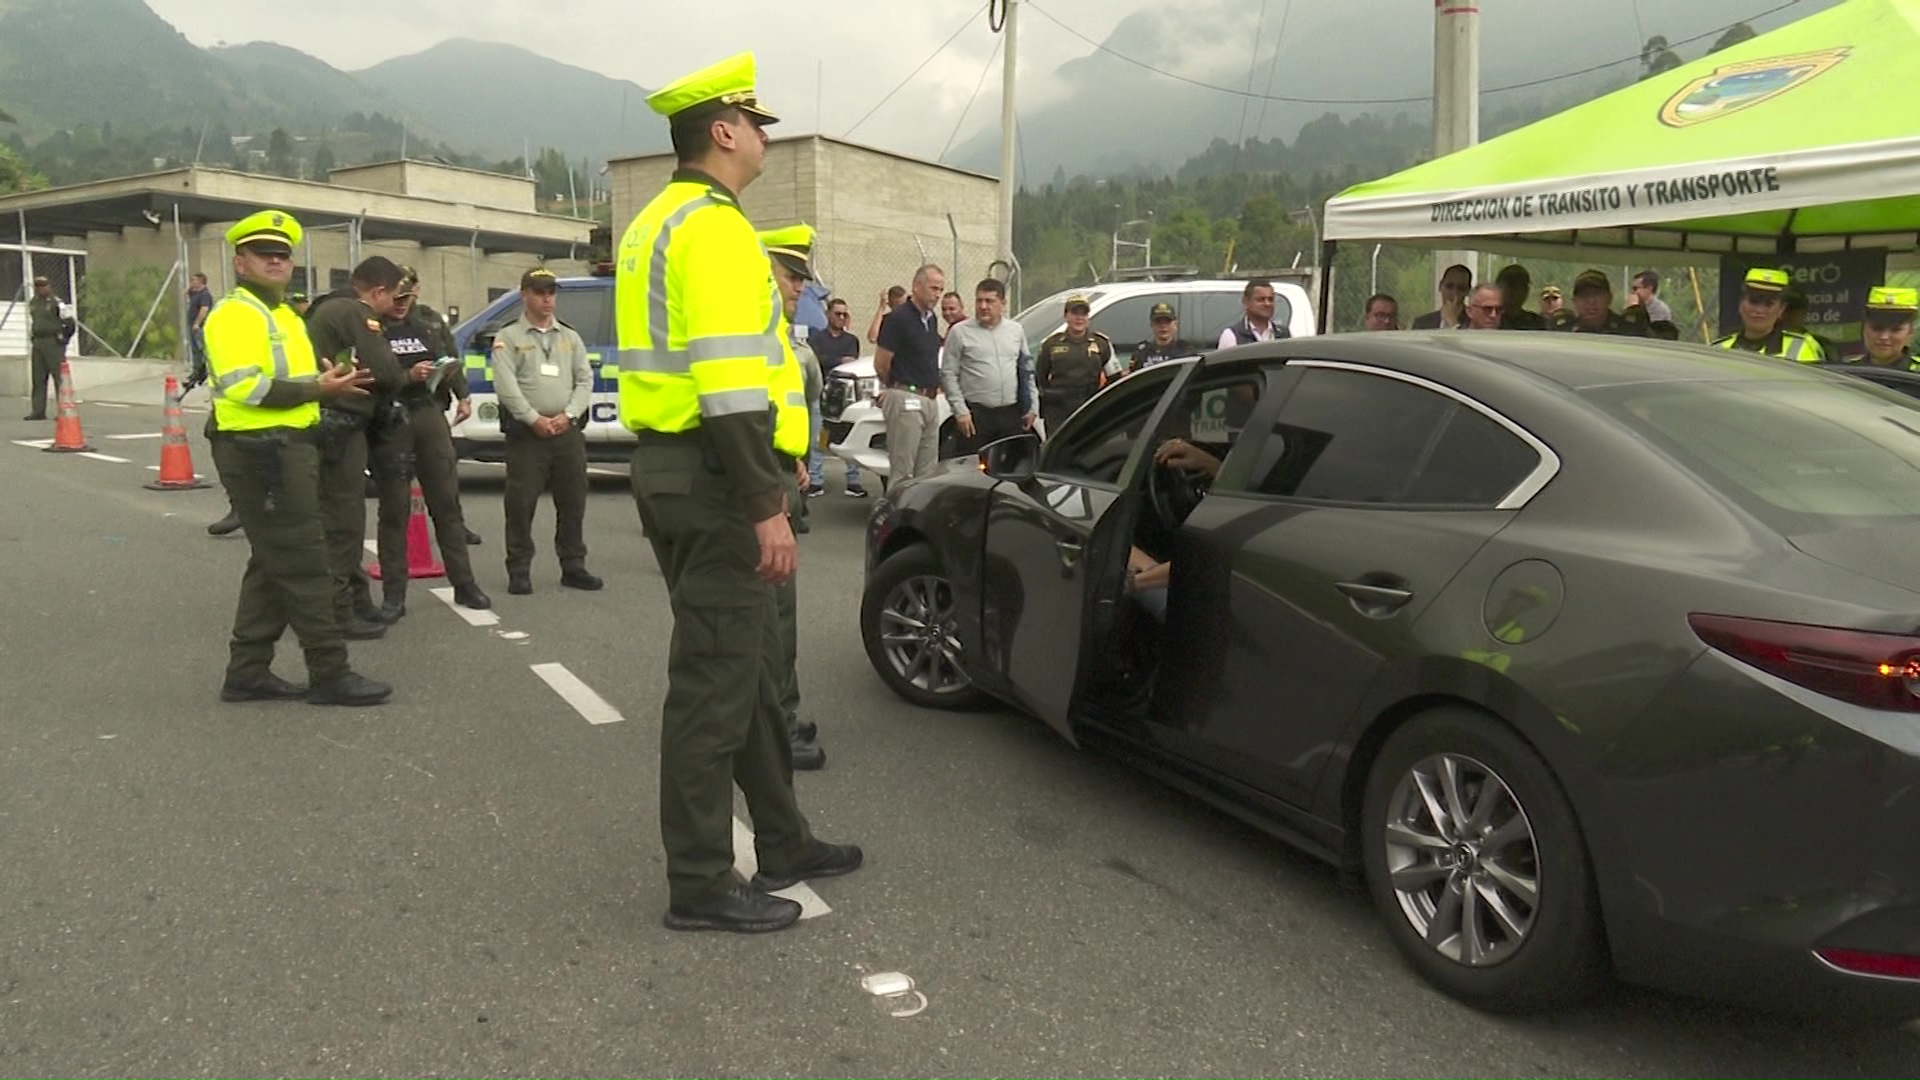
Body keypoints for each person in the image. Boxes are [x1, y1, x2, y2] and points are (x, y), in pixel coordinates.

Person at [614, 51, 859, 934]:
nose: (764, 136)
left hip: (680, 468)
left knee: (752, 675)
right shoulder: (713, 228)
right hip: (715, 477)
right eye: (758, 123)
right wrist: (765, 504)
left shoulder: (660, 219)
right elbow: (726, 384)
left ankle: (783, 840)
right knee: (715, 685)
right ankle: (701, 883)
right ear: (723, 131)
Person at [198, 209, 390, 707]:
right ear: (240, 262)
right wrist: (317, 388)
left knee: (271, 563)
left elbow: (299, 385)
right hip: (261, 452)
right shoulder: (235, 313)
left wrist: (326, 383)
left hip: (289, 448)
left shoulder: (285, 314)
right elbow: (244, 385)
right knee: (307, 561)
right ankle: (329, 671)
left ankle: (247, 672)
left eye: (283, 255)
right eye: (265, 255)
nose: (277, 262)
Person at [368, 267, 492, 619]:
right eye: (396, 299)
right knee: (394, 510)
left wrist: (460, 392)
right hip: (391, 419)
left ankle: (464, 583)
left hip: (428, 413)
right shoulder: (371, 326)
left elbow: (450, 358)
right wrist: (406, 376)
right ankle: (395, 594)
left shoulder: (427, 322)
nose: (402, 305)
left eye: (407, 298)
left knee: (447, 504)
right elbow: (367, 374)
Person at [305, 257, 410, 641]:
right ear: (379, 291)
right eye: (393, 295)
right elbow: (385, 370)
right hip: (340, 425)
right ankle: (337, 611)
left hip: (334, 423)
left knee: (340, 516)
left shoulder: (329, 306)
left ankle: (356, 600)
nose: (395, 304)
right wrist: (399, 376)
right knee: (343, 521)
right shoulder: (355, 312)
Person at [760, 224, 829, 769]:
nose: (798, 288)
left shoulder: (780, 334)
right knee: (772, 614)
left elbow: (783, 408)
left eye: (802, 280)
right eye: (791, 276)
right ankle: (775, 725)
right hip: (764, 478)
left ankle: (781, 712)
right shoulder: (757, 334)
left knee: (780, 612)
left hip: (783, 469)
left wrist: (797, 456)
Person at [491, 268, 602, 595]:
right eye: (540, 292)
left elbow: (584, 380)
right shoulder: (509, 338)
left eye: (551, 292)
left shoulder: (570, 337)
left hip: (566, 432)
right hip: (528, 435)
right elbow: (506, 386)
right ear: (524, 294)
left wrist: (568, 415)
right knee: (521, 503)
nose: (547, 299)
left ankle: (573, 565)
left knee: (573, 501)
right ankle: (520, 568)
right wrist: (532, 418)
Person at [942, 277, 1035, 454]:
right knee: (973, 471)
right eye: (979, 301)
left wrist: (1032, 407)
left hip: (1010, 413)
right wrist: (960, 411)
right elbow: (948, 374)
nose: (983, 306)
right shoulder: (960, 332)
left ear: (1003, 303)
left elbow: (1026, 369)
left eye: (990, 301)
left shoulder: (1015, 330)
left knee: (1011, 466)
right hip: (976, 415)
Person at [874, 263, 948, 484]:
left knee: (927, 473)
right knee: (903, 473)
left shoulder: (931, 319)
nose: (937, 295)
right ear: (916, 286)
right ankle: (895, 516)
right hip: (906, 398)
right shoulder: (898, 318)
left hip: (930, 400)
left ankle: (918, 517)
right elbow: (881, 363)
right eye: (933, 288)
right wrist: (898, 388)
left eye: (941, 290)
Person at [805, 297, 866, 497]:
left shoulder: (851, 340)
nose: (841, 317)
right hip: (822, 395)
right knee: (817, 439)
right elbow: (816, 361)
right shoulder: (816, 339)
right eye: (837, 313)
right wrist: (838, 360)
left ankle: (853, 481)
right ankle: (815, 480)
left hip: (847, 400)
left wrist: (831, 361)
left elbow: (851, 365)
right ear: (828, 314)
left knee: (850, 437)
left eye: (844, 314)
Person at [1035, 293, 1119, 432]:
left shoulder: (1101, 343)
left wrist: (1100, 400)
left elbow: (1115, 377)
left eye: (1084, 313)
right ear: (1066, 316)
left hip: (1089, 405)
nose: (1079, 318)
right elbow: (1040, 377)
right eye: (1075, 313)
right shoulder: (1051, 344)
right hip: (1058, 408)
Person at [1712, 267, 1822, 361]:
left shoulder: (1802, 348)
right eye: (1753, 301)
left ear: (1781, 309)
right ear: (1741, 304)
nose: (1759, 310)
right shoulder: (1718, 349)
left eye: (1769, 303)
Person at [22, 275, 71, 421]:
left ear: (49, 287)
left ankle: (63, 410)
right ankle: (38, 411)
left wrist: (64, 339)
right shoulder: (34, 303)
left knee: (59, 378)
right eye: (38, 286)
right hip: (38, 343)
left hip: (53, 343)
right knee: (38, 378)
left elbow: (69, 322)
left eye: (44, 285)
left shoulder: (57, 302)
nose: (41, 288)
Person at [1554, 269, 1650, 337]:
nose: (1591, 301)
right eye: (1584, 295)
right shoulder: (1563, 333)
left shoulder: (1629, 331)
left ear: (1609, 298)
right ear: (1575, 301)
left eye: (1597, 294)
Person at [1849, 286, 1920, 369]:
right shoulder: (1845, 372)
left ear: (1910, 332)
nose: (1884, 337)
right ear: (1864, 329)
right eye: (1876, 328)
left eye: (1895, 330)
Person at [1217, 280, 1286, 348]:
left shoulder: (1284, 335)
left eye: (1270, 299)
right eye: (1261, 299)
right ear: (1245, 302)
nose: (1267, 304)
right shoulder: (1231, 336)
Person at [1780, 283, 1840, 361]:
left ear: (1804, 311)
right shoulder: (1763, 339)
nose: (1788, 314)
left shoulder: (1822, 345)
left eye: (1794, 308)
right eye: (1785, 309)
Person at [1128, 301, 1187, 371]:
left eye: (1167, 322)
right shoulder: (1142, 352)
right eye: (1158, 322)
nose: (1163, 326)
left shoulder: (1185, 351)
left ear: (1175, 324)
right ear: (1151, 325)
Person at [1413, 264, 1471, 329]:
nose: (1454, 293)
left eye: (1461, 288)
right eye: (1449, 286)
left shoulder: (1474, 322)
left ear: (1468, 291)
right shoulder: (1421, 323)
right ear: (1440, 286)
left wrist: (1453, 323)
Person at [185, 271, 214, 391]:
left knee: (201, 350)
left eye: (194, 280)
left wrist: (197, 323)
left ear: (201, 282)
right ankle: (195, 373)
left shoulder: (205, 295)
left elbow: (204, 310)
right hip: (193, 326)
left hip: (200, 327)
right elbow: (185, 292)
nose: (191, 282)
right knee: (195, 350)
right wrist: (191, 287)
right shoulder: (194, 293)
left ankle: (203, 373)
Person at [1496, 265, 1547, 330]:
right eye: (1512, 285)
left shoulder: (1536, 322)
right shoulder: (1491, 320)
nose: (1518, 291)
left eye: (1523, 286)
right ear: (1498, 287)